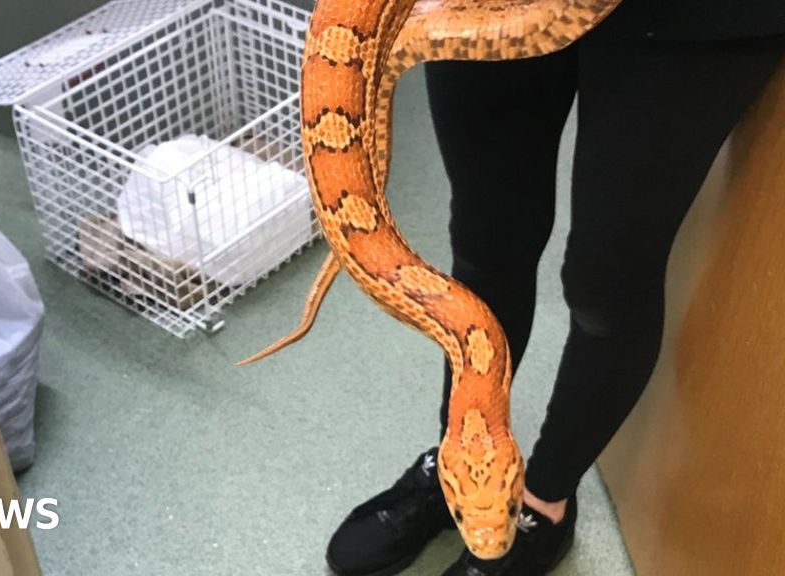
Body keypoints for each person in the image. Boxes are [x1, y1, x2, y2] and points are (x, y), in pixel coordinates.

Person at [324, 1, 785, 575]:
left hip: (690, 17)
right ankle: (461, 469)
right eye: (482, 523)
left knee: (608, 286)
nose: (485, 541)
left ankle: (543, 503)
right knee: (487, 240)